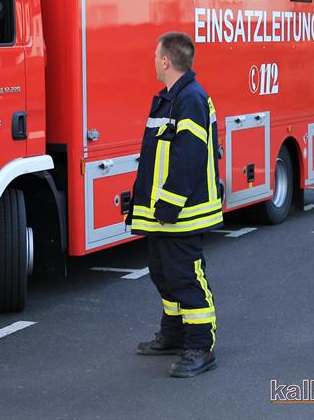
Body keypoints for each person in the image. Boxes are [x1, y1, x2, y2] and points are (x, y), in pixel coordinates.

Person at [129, 31, 223, 378]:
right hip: (164, 213)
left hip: (182, 213)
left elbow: (189, 158)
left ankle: (200, 346)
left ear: (166, 61)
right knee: (163, 273)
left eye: (156, 57)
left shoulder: (191, 99)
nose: (153, 62)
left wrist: (169, 204)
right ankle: (174, 334)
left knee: (185, 278)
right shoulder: (172, 98)